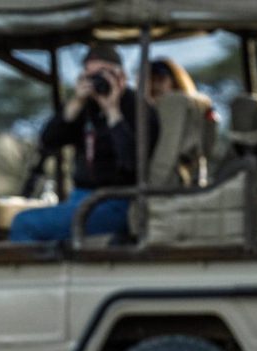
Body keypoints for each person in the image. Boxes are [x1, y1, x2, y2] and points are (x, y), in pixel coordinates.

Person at [9, 43, 159, 243]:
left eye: (103, 74)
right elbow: (48, 140)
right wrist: (76, 102)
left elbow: (132, 164)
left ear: (121, 75)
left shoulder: (139, 108)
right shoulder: (85, 105)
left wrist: (112, 112)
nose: (97, 81)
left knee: (24, 223)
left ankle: (27, 275)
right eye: (91, 75)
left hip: (118, 200)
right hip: (81, 197)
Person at [145, 57, 216, 187]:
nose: (154, 86)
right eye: (150, 80)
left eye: (160, 80)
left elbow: (167, 153)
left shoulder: (174, 104)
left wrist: (153, 186)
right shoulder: (197, 104)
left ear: (175, 82)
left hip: (170, 184)